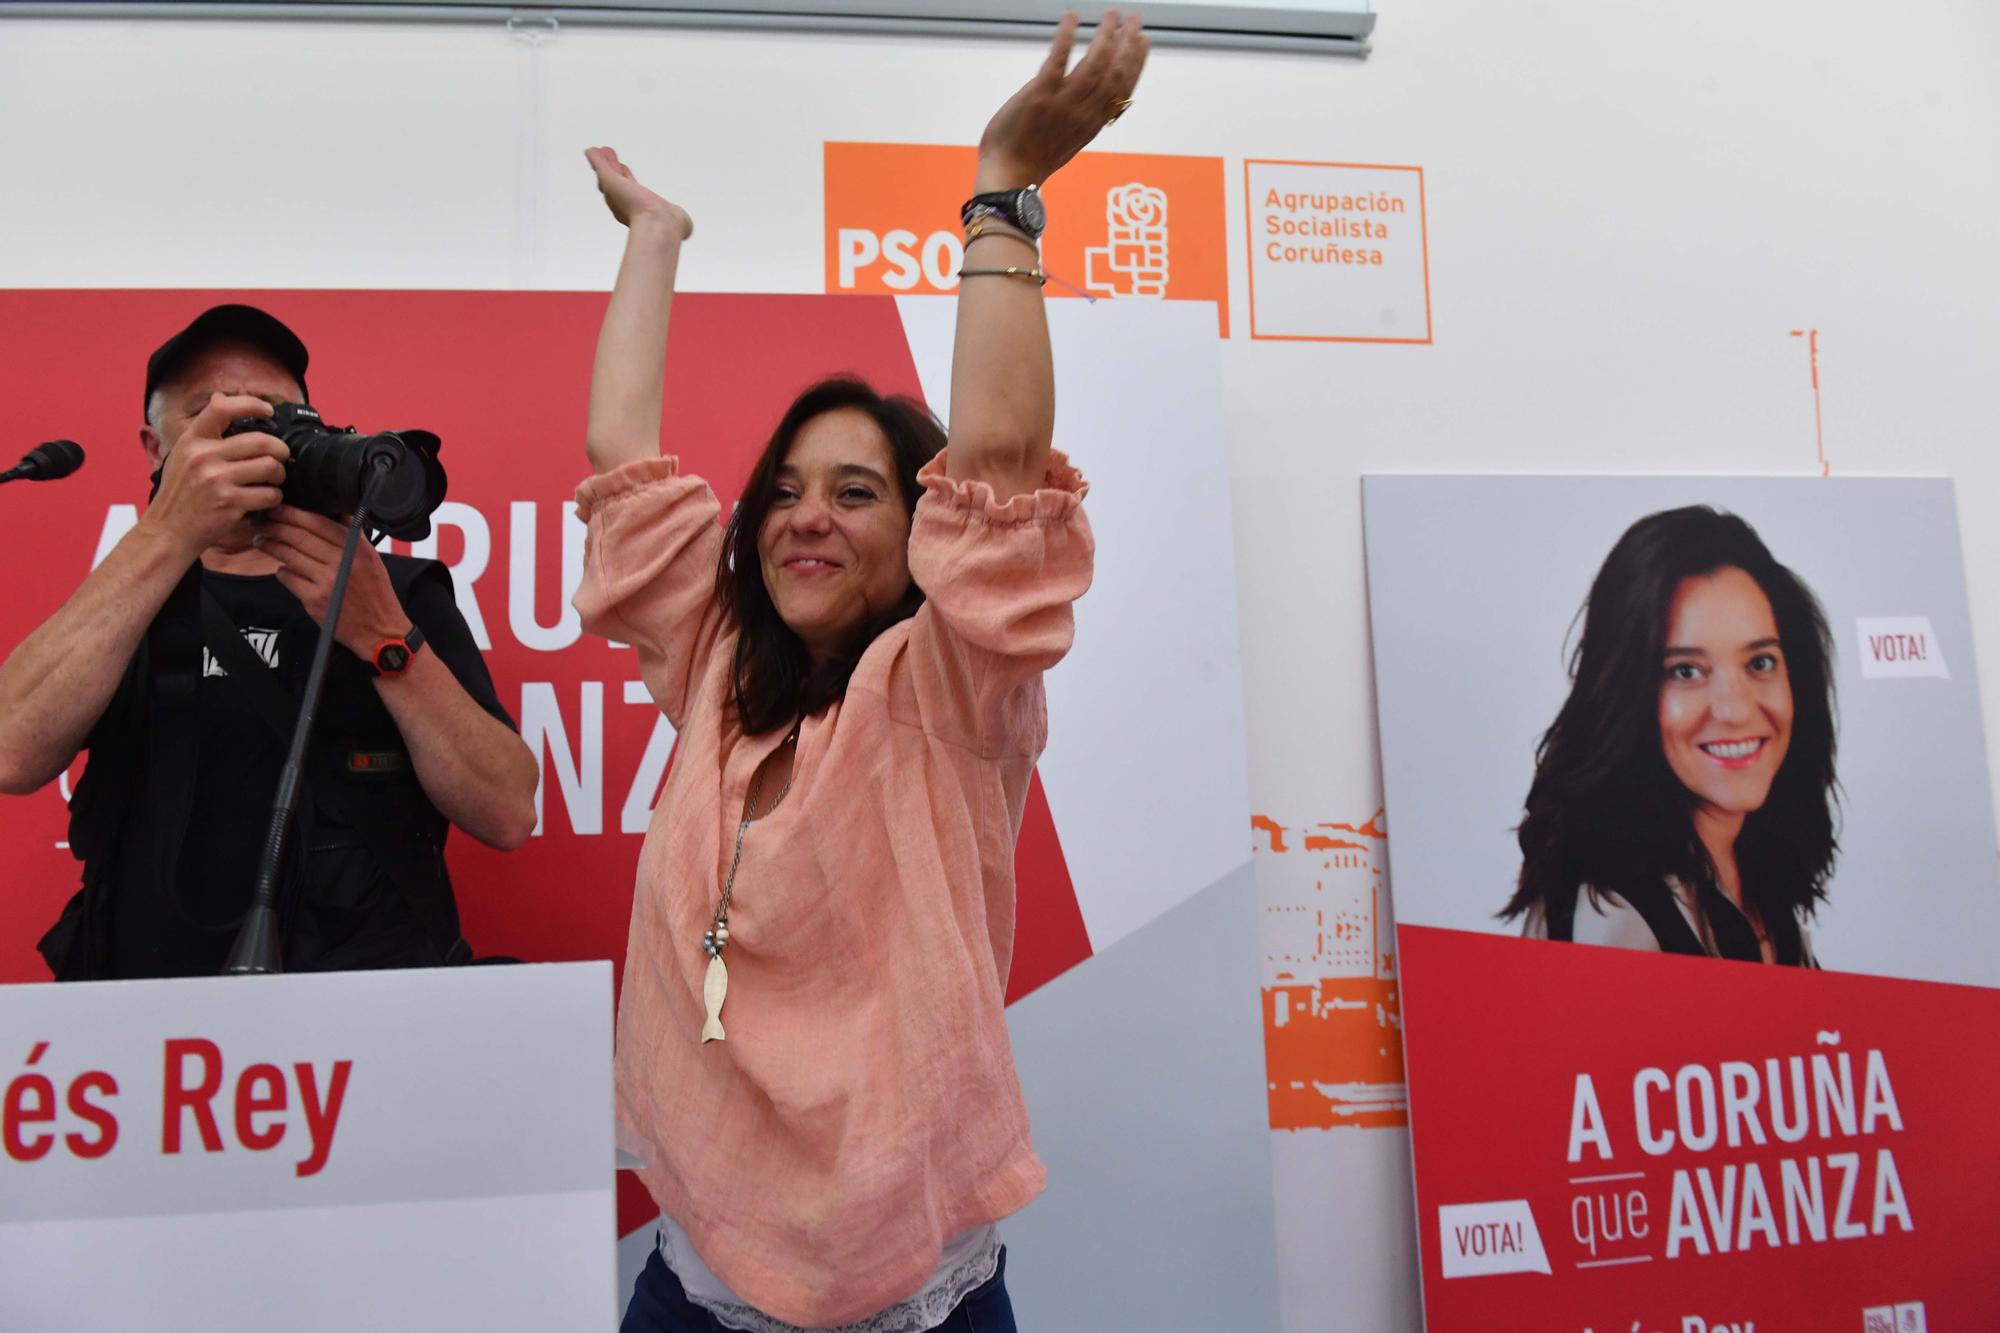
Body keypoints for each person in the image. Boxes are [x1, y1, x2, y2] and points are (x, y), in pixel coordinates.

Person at [575, 11, 1147, 1330]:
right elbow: (621, 453)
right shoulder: (718, 669)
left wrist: (1004, 186)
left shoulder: (950, 691)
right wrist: (656, 239)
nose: (806, 516)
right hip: (693, 1288)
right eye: (782, 490)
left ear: (920, 536)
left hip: (918, 1304)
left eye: (853, 490)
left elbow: (999, 469)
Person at [0, 304, 538, 978]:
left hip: (367, 1012)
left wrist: (384, 638)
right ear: (153, 447)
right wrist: (167, 536)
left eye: (272, 415)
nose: (247, 437)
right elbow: (11, 753)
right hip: (151, 1020)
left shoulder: (396, 589)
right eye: (213, 416)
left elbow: (509, 809)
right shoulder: (126, 593)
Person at [1504, 505, 1837, 966]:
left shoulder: (1754, 886)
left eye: (1760, 662)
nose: (1737, 709)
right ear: (1626, 691)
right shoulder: (1621, 914)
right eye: (1686, 671)